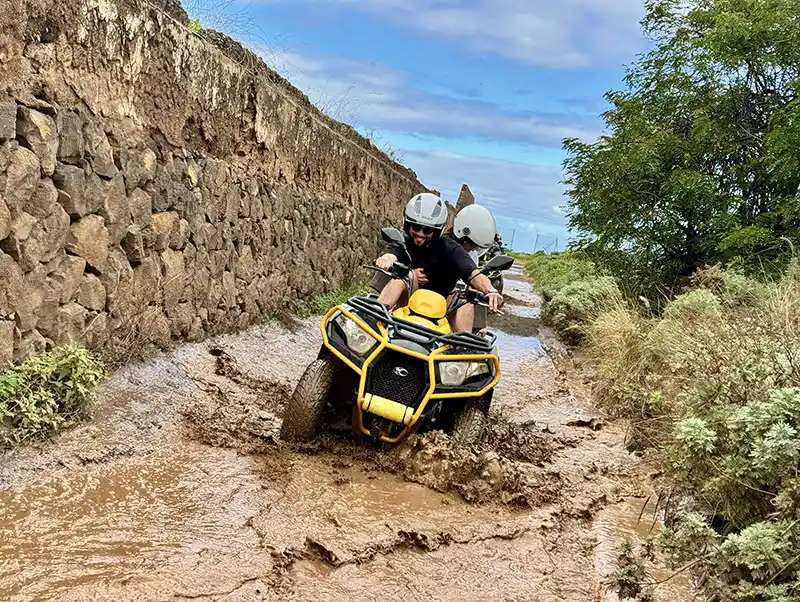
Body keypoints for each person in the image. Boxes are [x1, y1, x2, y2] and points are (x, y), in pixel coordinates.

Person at [375, 193, 503, 332]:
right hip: (407, 301)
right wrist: (386, 260)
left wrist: (491, 291)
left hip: (443, 307)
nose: (420, 233)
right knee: (400, 279)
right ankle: (375, 320)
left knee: (466, 300)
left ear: (436, 230)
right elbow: (392, 254)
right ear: (408, 224)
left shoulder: (451, 248)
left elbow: (474, 274)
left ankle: (462, 347)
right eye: (416, 227)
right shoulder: (403, 241)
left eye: (427, 230)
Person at [450, 204, 499, 334]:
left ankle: (464, 344)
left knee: (469, 298)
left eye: (475, 246)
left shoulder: (472, 255)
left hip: (452, 302)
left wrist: (490, 291)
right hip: (426, 298)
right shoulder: (437, 244)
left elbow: (475, 278)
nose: (472, 248)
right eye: (470, 243)